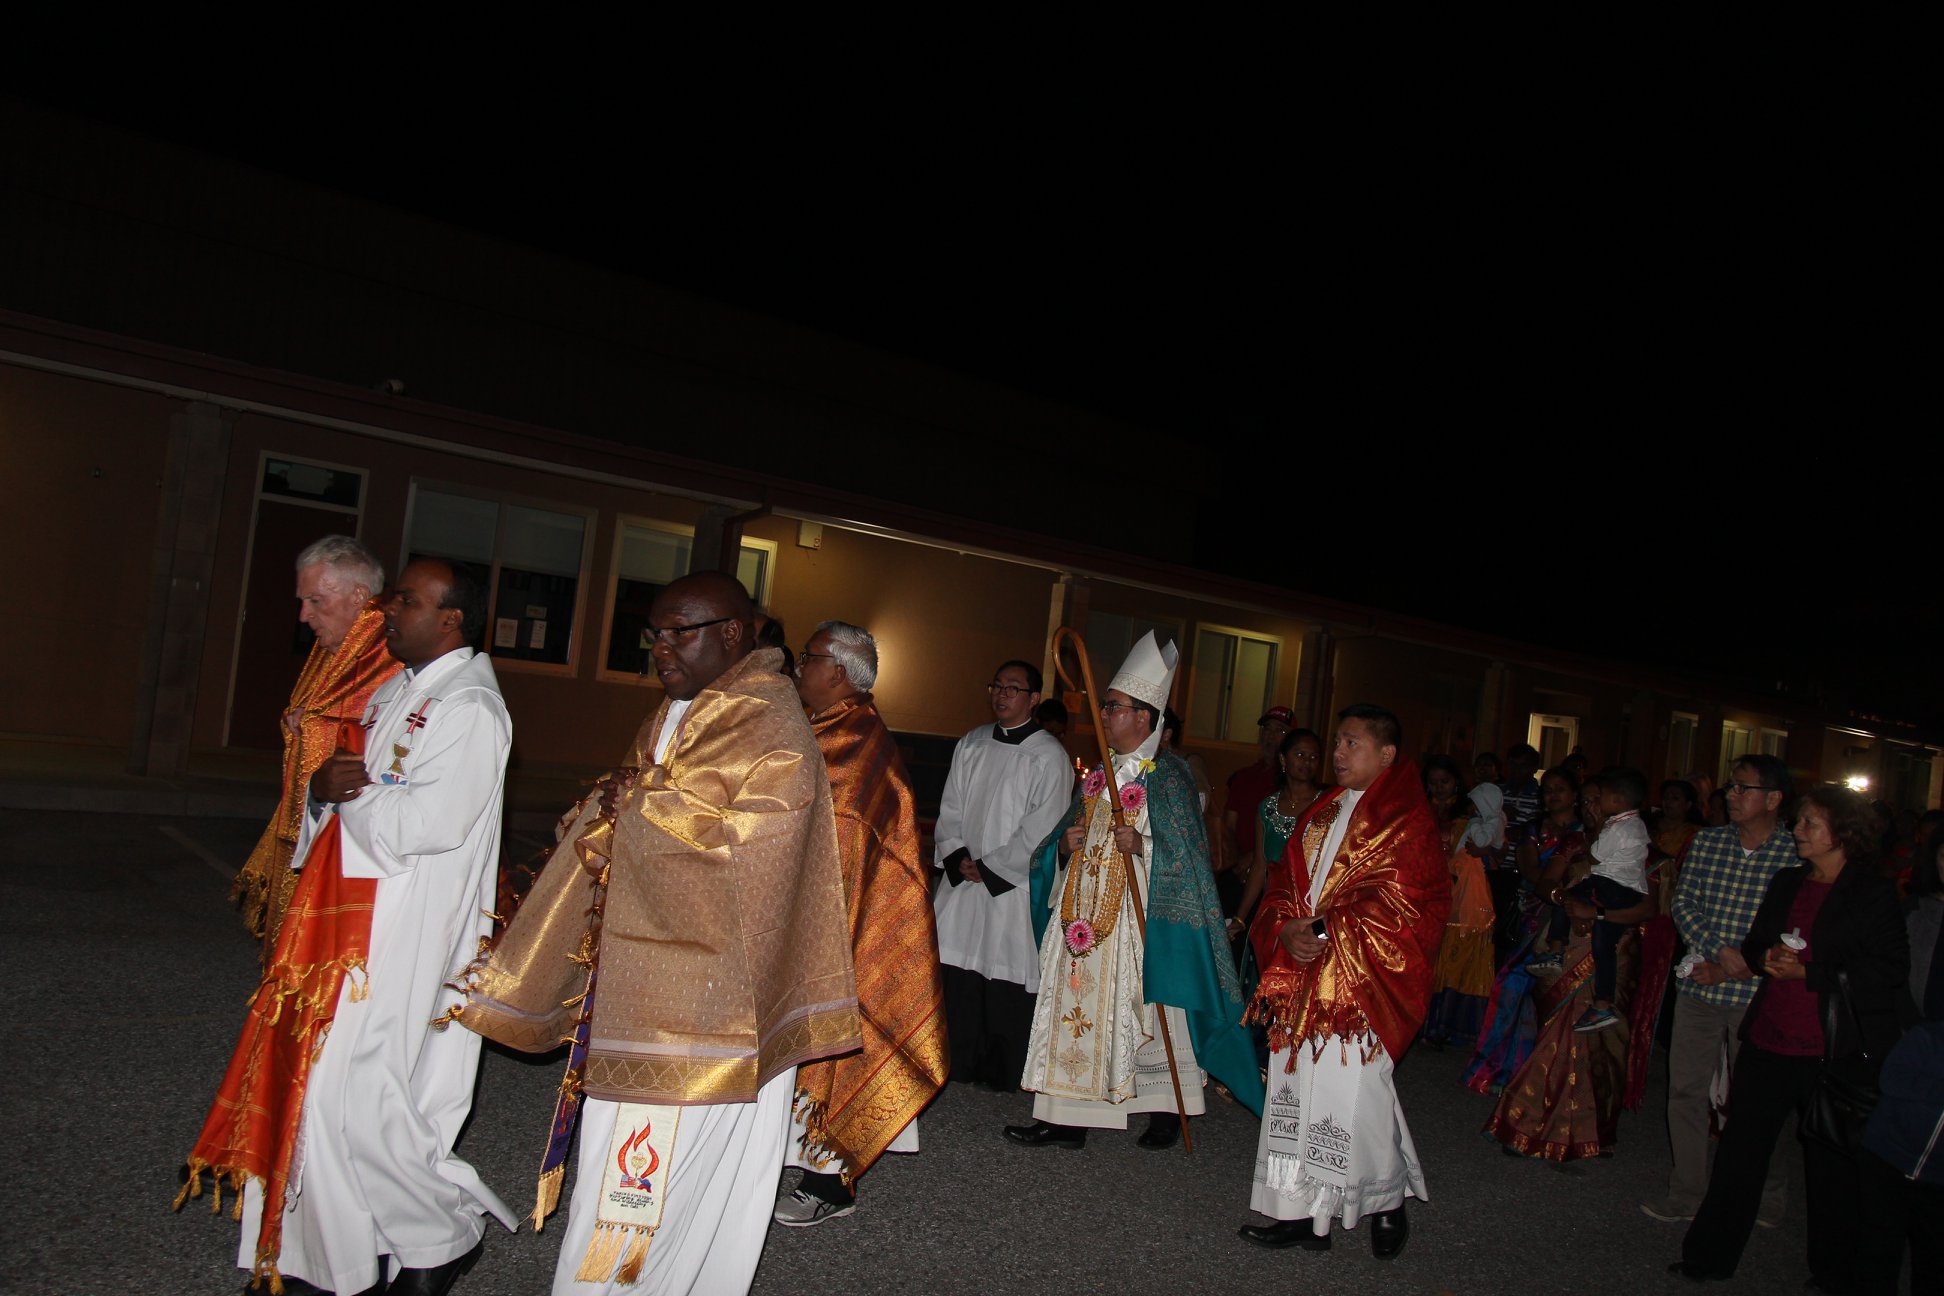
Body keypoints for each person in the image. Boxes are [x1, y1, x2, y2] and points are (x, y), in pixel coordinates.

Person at [451, 571, 860, 1296]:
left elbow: (763, 853)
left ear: (731, 633)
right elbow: (637, 797)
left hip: (704, 1011)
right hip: (648, 981)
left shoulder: (769, 723)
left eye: (679, 632)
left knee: (641, 1187)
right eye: (654, 634)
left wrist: (638, 810)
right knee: (629, 1176)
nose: (659, 648)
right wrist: (611, 811)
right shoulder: (681, 709)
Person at [180, 557, 514, 1296]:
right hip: (352, 923)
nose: (389, 610)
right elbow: (344, 799)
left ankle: (439, 1236)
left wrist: (343, 794)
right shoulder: (396, 689)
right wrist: (321, 795)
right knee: (323, 1089)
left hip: (409, 931)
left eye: (407, 601)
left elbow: (427, 824)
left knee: (356, 1096)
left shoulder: (470, 707)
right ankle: (321, 1263)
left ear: (452, 619)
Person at [1006, 633, 1263, 1151]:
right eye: (1105, 706)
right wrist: (1064, 847)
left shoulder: (1170, 778)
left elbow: (1191, 860)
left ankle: (1165, 1110)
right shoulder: (1097, 774)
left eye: (1114, 707)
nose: (1104, 715)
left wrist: (1144, 845)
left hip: (1145, 920)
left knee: (1155, 1010)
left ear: (1144, 718)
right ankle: (1065, 1118)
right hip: (1086, 919)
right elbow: (1060, 840)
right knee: (1073, 1008)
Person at [1238, 704, 1450, 1259]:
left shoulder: (1407, 821)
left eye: (1352, 743)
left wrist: (1324, 927)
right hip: (1304, 973)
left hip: (1360, 983)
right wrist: (1285, 928)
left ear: (1386, 754)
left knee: (1356, 1094)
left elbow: (1409, 904)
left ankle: (1385, 1198)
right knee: (1294, 1090)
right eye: (1337, 741)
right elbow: (1283, 881)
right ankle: (1298, 1214)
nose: (1337, 752)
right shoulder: (1323, 810)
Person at [1673, 786, 1907, 1285]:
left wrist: (1810, 973)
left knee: (1830, 1167)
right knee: (1739, 1152)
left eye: (1809, 823)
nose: (1797, 830)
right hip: (1771, 1036)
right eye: (1799, 821)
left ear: (1843, 832)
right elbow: (1756, 943)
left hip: (1830, 1048)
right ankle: (1708, 1258)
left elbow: (1888, 971)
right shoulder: (1787, 881)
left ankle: (1833, 1270)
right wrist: (1766, 958)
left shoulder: (1871, 892)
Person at [774, 621, 948, 1227]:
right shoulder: (819, 727)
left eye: (809, 656)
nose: (800, 666)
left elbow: (846, 844)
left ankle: (830, 1179)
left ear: (840, 672)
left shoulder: (859, 744)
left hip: (846, 926)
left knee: (836, 1043)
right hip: (802, 918)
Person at [1643, 754, 1800, 1227]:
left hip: (1758, 996)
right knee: (1685, 1091)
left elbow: (1794, 929)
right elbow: (1684, 903)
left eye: (1743, 787)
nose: (1731, 795)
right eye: (1732, 786)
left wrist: (1739, 966)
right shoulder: (1708, 842)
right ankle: (1686, 1191)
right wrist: (1717, 952)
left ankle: (1767, 1192)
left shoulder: (1794, 854)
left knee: (1759, 1100)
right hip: (1701, 987)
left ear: (1773, 798)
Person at [231, 535, 401, 963]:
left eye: (315, 601)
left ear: (359, 596)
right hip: (315, 817)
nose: (304, 615)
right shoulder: (337, 650)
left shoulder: (390, 649)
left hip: (357, 843)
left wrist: (313, 724)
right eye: (303, 601)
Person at [931, 660, 1073, 1091]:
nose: (1002, 694)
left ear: (1034, 698)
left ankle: (1000, 1068)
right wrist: (958, 855)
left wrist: (993, 866)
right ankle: (954, 1059)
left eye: (1013, 688)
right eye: (997, 686)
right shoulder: (972, 742)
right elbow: (950, 805)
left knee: (1005, 968)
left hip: (1012, 887)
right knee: (955, 962)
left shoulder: (1049, 756)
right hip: (965, 879)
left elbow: (1044, 825)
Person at [1465, 765, 1584, 1095]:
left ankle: (1545, 1076)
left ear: (1575, 794)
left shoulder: (1587, 831)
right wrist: (1558, 890)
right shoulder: (1534, 829)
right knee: (1514, 985)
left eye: (1560, 789)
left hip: (1574, 919)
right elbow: (1531, 870)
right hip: (1537, 914)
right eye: (1548, 790)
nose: (1553, 795)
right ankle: (1499, 1070)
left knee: (1556, 993)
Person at [1530, 767, 1650, 1033]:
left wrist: (1594, 913)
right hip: (1570, 932)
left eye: (1596, 799)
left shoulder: (1632, 842)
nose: (1590, 807)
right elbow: (1546, 883)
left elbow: (1648, 908)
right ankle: (1556, 952)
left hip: (1616, 940)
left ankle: (1602, 1007)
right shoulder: (1574, 840)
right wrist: (1564, 900)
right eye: (1584, 801)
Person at [1422, 780, 1504, 1049]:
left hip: (1471, 897)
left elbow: (1491, 849)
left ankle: (1454, 1026)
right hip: (1447, 892)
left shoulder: (1479, 824)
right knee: (1445, 960)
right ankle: (1435, 1024)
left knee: (1465, 961)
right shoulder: (1426, 816)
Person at [1230, 728, 1329, 945]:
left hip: (1313, 913)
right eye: (1300, 754)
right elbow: (1259, 867)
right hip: (1274, 913)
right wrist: (1240, 918)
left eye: (1314, 757)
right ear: (1283, 759)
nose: (1307, 762)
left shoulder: (1328, 806)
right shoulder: (1267, 808)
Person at [1221, 706, 1296, 913]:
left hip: (1273, 875)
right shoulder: (1244, 777)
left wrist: (1254, 858)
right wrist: (1237, 862)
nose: (1271, 736)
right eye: (1267, 729)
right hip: (1236, 869)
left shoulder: (1293, 783)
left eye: (1280, 730)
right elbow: (1228, 826)